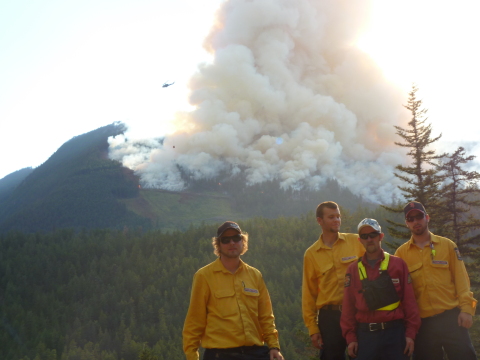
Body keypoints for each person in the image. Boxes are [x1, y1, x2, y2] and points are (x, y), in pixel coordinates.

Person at [183, 221, 285, 360]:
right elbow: (195, 321)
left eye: (236, 238)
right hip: (221, 354)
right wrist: (191, 356)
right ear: (218, 245)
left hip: (255, 352)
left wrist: (274, 347)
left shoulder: (255, 275)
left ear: (243, 242)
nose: (232, 243)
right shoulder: (204, 276)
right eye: (225, 240)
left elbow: (266, 316)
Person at [395, 201, 478, 360]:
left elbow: (462, 281)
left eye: (419, 216)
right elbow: (401, 293)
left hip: (452, 319)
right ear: (407, 223)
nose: (415, 221)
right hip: (422, 325)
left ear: (427, 217)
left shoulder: (447, 245)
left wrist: (467, 310)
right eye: (410, 219)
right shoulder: (401, 253)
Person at [340, 218, 421, 360]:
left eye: (373, 234)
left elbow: (410, 302)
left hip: (395, 334)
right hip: (365, 337)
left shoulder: (398, 264)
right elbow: (348, 307)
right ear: (360, 240)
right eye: (365, 236)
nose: (369, 239)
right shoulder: (353, 269)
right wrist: (351, 338)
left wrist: (410, 335)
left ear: (381, 236)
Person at [302, 201, 365, 360]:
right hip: (329, 318)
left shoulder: (356, 242)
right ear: (319, 221)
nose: (336, 220)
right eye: (331, 217)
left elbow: (379, 266)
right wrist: (313, 329)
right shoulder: (311, 254)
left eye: (338, 216)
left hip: (358, 312)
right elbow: (308, 294)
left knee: (363, 355)